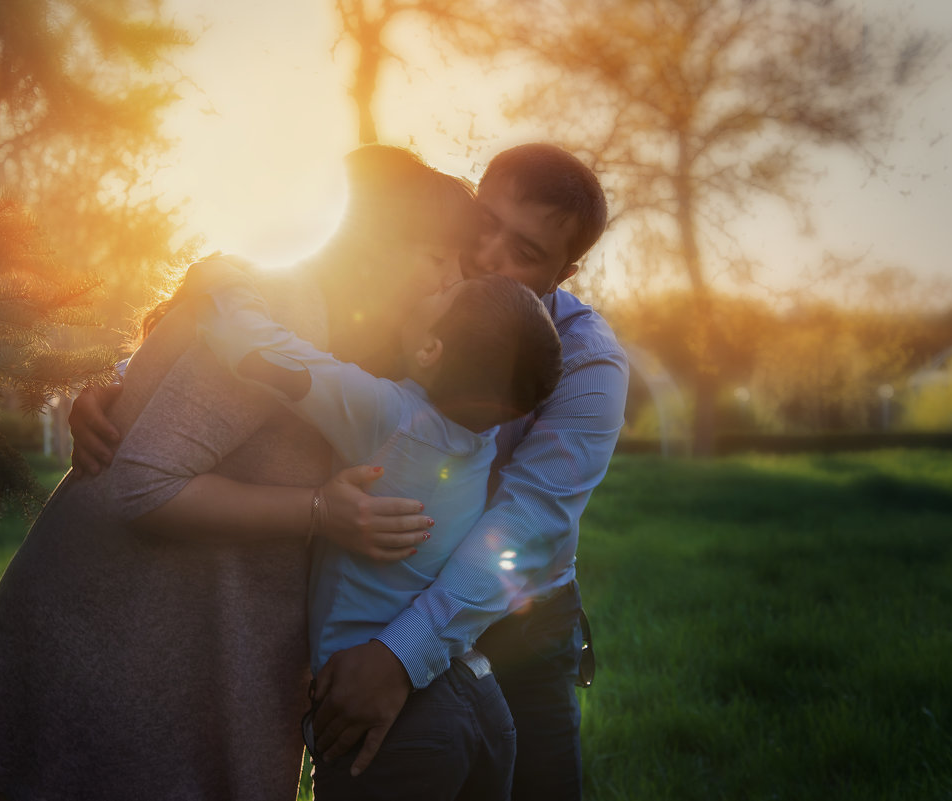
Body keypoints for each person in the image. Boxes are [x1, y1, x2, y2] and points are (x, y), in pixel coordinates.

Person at [71, 143, 629, 801]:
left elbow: (525, 525)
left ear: (565, 272)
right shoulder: (427, 291)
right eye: (484, 225)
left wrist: (399, 655)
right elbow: (297, 299)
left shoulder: (586, 363)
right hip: (378, 598)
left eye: (525, 252)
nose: (484, 256)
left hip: (513, 622)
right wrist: (132, 384)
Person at [0, 145, 478, 801]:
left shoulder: (348, 333)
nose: (452, 278)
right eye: (436, 256)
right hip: (116, 624)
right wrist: (318, 510)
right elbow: (147, 483)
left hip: (187, 625)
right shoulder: (287, 307)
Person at [182, 262, 563, 798]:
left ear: (431, 351)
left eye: (450, 291)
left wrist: (225, 275)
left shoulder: (387, 416)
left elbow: (255, 349)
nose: (436, 282)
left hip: (391, 718)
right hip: (478, 696)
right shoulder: (482, 438)